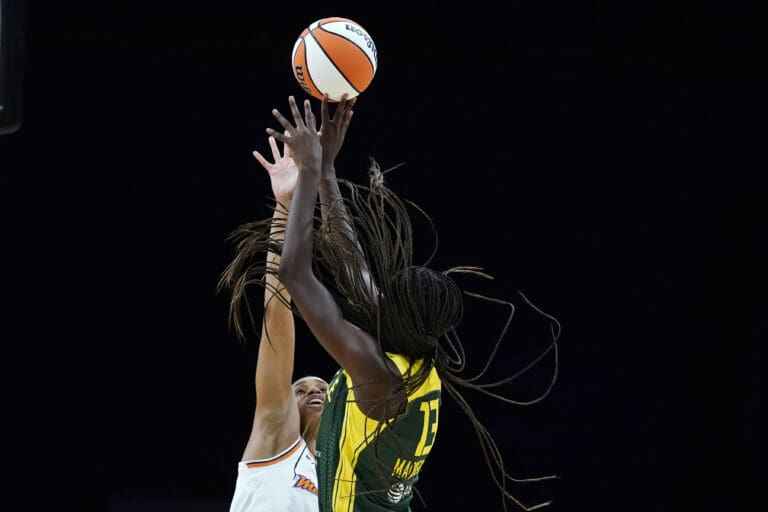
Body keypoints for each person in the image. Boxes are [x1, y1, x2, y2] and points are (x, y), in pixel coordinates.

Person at [226, 94, 560, 512]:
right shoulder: (413, 352)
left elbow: (296, 274)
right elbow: (352, 262)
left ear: (399, 314)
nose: (377, 293)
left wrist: (310, 172)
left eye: (389, 296)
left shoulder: (382, 375)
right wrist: (328, 168)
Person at [219, 129, 329, 512]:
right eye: (300, 389)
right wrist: (285, 206)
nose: (315, 390)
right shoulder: (277, 434)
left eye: (321, 388)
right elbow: (277, 312)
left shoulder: (337, 483)